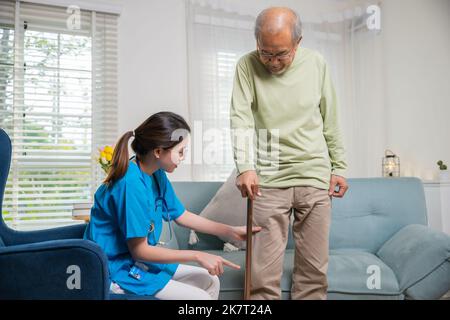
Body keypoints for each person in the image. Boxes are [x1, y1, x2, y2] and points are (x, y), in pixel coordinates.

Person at [230, 7, 349, 300]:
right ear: (256, 42)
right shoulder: (246, 65)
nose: (272, 62)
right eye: (265, 53)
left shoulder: (317, 64)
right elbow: (240, 117)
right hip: (268, 181)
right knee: (260, 277)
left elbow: (330, 117)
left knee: (313, 274)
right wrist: (245, 166)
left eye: (281, 54)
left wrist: (339, 165)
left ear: (298, 43)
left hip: (314, 177)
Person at [84, 111, 261, 300]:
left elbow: (181, 215)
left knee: (209, 281)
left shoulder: (156, 173)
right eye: (180, 151)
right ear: (158, 152)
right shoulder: (130, 184)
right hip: (115, 268)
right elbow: (140, 250)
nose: (183, 157)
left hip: (135, 261)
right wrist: (198, 256)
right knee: (199, 298)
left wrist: (230, 231)